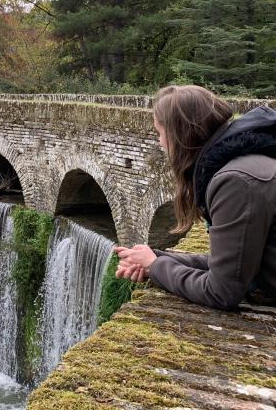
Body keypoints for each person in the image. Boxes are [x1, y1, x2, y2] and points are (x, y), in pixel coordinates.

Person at [114, 85, 276, 310]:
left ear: (179, 136)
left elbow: (221, 291)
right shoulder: (243, 166)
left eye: (159, 133)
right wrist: (157, 258)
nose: (160, 143)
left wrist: (156, 266)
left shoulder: (236, 182)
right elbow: (234, 265)